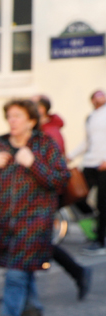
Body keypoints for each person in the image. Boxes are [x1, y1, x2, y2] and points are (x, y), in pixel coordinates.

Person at [0, 98, 70, 316]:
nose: (12, 121)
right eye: (9, 116)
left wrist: (33, 164)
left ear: (31, 121)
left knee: (15, 274)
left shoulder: (45, 145)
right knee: (24, 273)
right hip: (5, 222)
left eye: (17, 116)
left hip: (35, 222)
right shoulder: (0, 144)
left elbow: (60, 179)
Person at [35, 96, 92, 300]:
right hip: (36, 193)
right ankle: (19, 286)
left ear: (41, 110)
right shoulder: (40, 131)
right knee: (32, 241)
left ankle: (78, 272)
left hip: (45, 193)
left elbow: (53, 167)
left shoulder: (49, 132)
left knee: (36, 240)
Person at [69, 89, 106, 255]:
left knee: (102, 203)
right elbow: (86, 142)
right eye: (96, 96)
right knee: (77, 196)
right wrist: (70, 156)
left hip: (103, 165)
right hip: (90, 163)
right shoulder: (90, 117)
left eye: (102, 95)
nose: (100, 98)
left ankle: (101, 241)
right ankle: (95, 224)